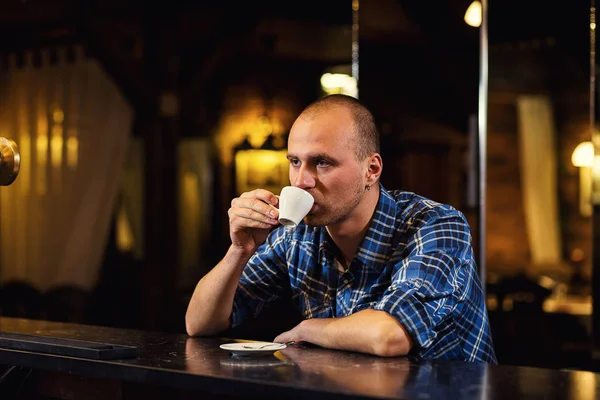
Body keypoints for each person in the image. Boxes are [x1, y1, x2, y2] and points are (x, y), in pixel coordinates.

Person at [186, 94, 497, 363]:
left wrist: (307, 330)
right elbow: (200, 324)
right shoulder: (296, 236)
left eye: (322, 162)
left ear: (371, 170)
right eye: (295, 161)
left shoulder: (436, 224)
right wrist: (239, 250)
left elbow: (389, 335)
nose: (300, 181)